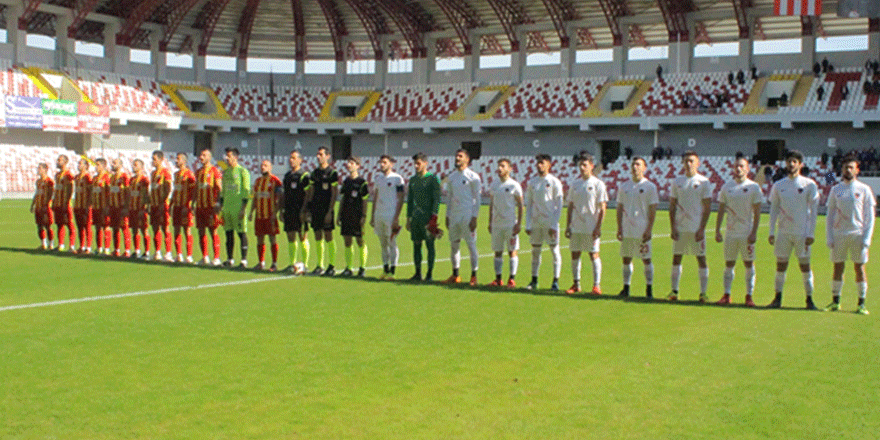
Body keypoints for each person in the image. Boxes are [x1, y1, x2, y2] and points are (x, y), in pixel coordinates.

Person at [767, 150, 819, 310]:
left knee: (805, 266)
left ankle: (809, 300)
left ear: (800, 165)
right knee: (780, 266)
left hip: (801, 233)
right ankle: (777, 298)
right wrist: (771, 231)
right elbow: (774, 209)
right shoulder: (778, 185)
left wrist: (811, 233)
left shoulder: (809, 184)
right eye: (789, 161)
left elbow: (814, 210)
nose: (791, 164)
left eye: (794, 161)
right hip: (783, 232)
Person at [824, 157, 876, 315]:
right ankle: (835, 301)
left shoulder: (864, 189)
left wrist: (867, 239)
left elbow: (870, 216)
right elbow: (830, 214)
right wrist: (829, 236)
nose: (848, 170)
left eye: (851, 167)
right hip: (839, 234)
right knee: (838, 267)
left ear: (857, 170)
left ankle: (861, 303)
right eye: (846, 167)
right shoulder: (836, 189)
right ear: (842, 169)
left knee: (859, 268)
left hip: (857, 235)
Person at [714, 157, 763, 307]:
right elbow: (721, 210)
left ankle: (749, 296)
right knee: (729, 263)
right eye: (736, 166)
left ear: (747, 169)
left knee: (748, 263)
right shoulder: (726, 187)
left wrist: (754, 232)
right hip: (730, 233)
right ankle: (727, 294)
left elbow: (757, 212)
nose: (738, 169)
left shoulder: (754, 187)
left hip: (746, 233)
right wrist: (717, 230)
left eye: (742, 166)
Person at [668, 151, 713, 302]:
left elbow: (707, 208)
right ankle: (674, 291)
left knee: (701, 258)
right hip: (680, 228)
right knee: (676, 258)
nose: (688, 164)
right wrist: (673, 227)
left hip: (696, 228)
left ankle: (703, 293)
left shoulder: (703, 182)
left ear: (698, 163)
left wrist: (702, 228)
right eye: (686, 161)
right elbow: (672, 206)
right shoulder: (677, 181)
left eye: (691, 161)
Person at [564, 152, 607, 295]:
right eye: (580, 165)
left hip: (591, 227)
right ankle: (576, 284)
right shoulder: (575, 184)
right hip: (576, 227)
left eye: (585, 165)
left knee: (593, 255)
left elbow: (602, 208)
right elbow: (570, 206)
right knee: (575, 255)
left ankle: (596, 285)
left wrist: (598, 227)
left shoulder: (598, 184)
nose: (582, 168)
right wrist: (568, 225)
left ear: (591, 166)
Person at [616, 157, 658, 298]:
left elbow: (652, 209)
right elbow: (620, 207)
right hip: (627, 229)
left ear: (644, 168)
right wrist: (619, 228)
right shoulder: (624, 186)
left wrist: (649, 229)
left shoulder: (650, 187)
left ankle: (649, 289)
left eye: (638, 164)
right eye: (633, 164)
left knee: (646, 259)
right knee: (626, 258)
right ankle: (626, 288)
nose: (635, 167)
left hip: (642, 229)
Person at [524, 153, 564, 292]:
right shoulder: (532, 182)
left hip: (549, 223)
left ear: (549, 165)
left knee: (554, 251)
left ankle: (555, 281)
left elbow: (558, 205)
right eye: (538, 163)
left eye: (542, 162)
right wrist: (527, 223)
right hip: (536, 223)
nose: (539, 165)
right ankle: (534, 280)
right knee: (535, 252)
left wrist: (554, 224)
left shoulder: (554, 182)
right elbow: (528, 204)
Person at [444, 148, 481, 285]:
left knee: (471, 246)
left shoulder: (473, 177)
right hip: (454, 216)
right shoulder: (452, 177)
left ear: (467, 160)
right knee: (454, 246)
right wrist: (447, 215)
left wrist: (474, 217)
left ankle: (473, 276)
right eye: (456, 156)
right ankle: (456, 275)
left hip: (467, 216)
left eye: (460, 156)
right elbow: (449, 198)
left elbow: (477, 199)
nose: (457, 158)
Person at [487, 158, 523, 288]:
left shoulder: (514, 185)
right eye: (499, 166)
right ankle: (498, 279)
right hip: (497, 224)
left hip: (510, 224)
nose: (500, 168)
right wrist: (490, 221)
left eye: (503, 166)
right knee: (497, 251)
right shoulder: (494, 184)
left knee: (512, 251)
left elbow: (520, 205)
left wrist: (519, 223)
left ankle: (511, 279)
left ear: (510, 169)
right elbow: (491, 204)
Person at [406, 152, 442, 282]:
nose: (416, 166)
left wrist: (434, 217)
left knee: (429, 245)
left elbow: (436, 200)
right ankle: (417, 273)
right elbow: (409, 200)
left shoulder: (433, 179)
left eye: (418, 163)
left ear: (425, 163)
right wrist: (408, 218)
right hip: (415, 218)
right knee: (416, 244)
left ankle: (429, 274)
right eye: (415, 163)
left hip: (427, 218)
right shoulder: (413, 180)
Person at [371, 154, 405, 279]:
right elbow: (375, 197)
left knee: (392, 242)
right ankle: (385, 269)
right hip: (379, 215)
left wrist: (396, 217)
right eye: (381, 162)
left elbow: (401, 198)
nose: (382, 165)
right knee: (383, 243)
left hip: (390, 215)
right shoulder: (378, 178)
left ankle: (393, 270)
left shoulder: (397, 178)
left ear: (391, 164)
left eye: (384, 162)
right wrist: (372, 215)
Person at [307, 146, 339, 275]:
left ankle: (331, 265)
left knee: (328, 236)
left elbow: (334, 192)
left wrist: (330, 211)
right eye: (317, 154)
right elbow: (311, 191)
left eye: (321, 154)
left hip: (326, 208)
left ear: (328, 156)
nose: (318, 157)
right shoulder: (314, 173)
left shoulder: (332, 173)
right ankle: (319, 265)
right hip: (316, 208)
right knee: (317, 235)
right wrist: (309, 209)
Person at [337, 156, 370, 277]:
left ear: (358, 166)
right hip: (346, 214)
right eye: (348, 162)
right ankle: (349, 268)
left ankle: (362, 268)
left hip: (357, 215)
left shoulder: (362, 183)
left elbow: (365, 200)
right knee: (347, 241)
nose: (349, 165)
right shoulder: (346, 181)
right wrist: (339, 214)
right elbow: (342, 198)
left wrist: (364, 216)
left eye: (352, 163)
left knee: (360, 240)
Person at [249, 159, 283, 271]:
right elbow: (255, 198)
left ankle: (274, 263)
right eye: (262, 165)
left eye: (265, 165)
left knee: (272, 238)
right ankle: (261, 262)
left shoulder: (275, 181)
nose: (263, 167)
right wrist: (251, 212)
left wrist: (276, 212)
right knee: (259, 239)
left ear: (270, 167)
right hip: (259, 215)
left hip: (270, 215)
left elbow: (280, 199)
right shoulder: (258, 181)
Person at [220, 147, 251, 268]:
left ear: (236, 157)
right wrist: (221, 205)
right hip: (227, 208)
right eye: (226, 156)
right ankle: (230, 259)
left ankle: (243, 260)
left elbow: (246, 191)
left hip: (238, 208)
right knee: (228, 234)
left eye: (229, 156)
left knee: (241, 233)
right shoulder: (226, 172)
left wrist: (243, 208)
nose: (226, 159)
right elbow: (223, 191)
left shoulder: (243, 171)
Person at [281, 150, 310, 274]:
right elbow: (284, 194)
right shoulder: (287, 176)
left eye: (293, 158)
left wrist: (305, 210)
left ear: (300, 160)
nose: (291, 160)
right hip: (289, 209)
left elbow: (308, 194)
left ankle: (305, 264)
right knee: (290, 236)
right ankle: (292, 263)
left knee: (302, 236)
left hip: (300, 210)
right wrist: (282, 209)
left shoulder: (304, 175)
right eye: (290, 158)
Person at [194, 148, 223, 266]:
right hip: (200, 206)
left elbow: (219, 188)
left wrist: (219, 202)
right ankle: (204, 257)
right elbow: (196, 188)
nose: (201, 157)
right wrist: (193, 203)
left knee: (213, 231)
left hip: (211, 207)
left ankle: (216, 258)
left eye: (204, 155)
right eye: (201, 155)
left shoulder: (215, 171)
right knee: (201, 231)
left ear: (209, 157)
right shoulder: (199, 172)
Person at [171, 153, 196, 263]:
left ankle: (189, 256)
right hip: (176, 206)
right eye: (176, 158)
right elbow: (175, 190)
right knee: (176, 229)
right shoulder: (176, 174)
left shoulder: (189, 174)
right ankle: (179, 254)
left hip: (185, 207)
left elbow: (193, 191)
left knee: (187, 230)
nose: (176, 160)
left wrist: (189, 205)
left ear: (184, 161)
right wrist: (171, 204)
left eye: (178, 159)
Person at [149, 151, 173, 261]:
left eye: (154, 159)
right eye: (152, 159)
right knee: (155, 228)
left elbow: (168, 188)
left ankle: (168, 253)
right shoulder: (153, 173)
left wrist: (163, 202)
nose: (152, 161)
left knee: (165, 227)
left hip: (162, 205)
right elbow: (152, 189)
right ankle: (157, 251)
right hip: (153, 204)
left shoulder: (165, 172)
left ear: (161, 159)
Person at [107, 158, 131, 257]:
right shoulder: (112, 177)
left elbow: (128, 192)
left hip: (121, 207)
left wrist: (126, 206)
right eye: (112, 162)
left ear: (120, 165)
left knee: (124, 228)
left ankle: (127, 251)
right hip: (113, 207)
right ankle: (116, 250)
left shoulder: (124, 176)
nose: (112, 164)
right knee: (115, 228)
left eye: (114, 163)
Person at [51, 155, 75, 252]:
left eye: (59, 160)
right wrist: (53, 201)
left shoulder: (68, 174)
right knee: (59, 224)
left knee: (69, 224)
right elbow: (57, 189)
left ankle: (71, 246)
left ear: (65, 162)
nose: (57, 162)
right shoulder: (57, 175)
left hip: (66, 204)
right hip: (57, 203)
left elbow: (71, 189)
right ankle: (61, 245)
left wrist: (67, 201)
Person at [129, 159, 151, 259]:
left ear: (142, 167)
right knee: (134, 230)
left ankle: (147, 252)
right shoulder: (132, 180)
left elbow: (146, 194)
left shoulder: (144, 180)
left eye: (136, 165)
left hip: (140, 208)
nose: (133, 166)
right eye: (133, 164)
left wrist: (145, 207)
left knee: (144, 230)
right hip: (132, 208)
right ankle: (137, 251)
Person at [30, 163, 54, 249]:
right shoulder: (38, 182)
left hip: (46, 207)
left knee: (48, 226)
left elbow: (51, 194)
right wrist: (33, 204)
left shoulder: (49, 181)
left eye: (40, 168)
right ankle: (43, 243)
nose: (38, 170)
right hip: (38, 207)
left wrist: (47, 204)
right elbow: (37, 193)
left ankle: (51, 244)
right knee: (39, 226)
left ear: (45, 170)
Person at [73, 158, 93, 254]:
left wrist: (88, 204)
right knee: (80, 226)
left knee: (87, 226)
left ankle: (88, 247)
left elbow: (90, 192)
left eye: (80, 163)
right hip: (77, 205)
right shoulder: (76, 177)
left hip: (85, 205)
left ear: (86, 166)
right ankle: (81, 246)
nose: (78, 165)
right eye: (78, 163)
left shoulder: (88, 177)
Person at [92, 158, 112, 256]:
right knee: (97, 227)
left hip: (104, 206)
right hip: (95, 206)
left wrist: (108, 205)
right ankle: (99, 248)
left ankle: (107, 249)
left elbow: (109, 192)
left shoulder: (107, 177)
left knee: (106, 227)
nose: (96, 167)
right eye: (96, 165)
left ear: (104, 166)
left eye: (98, 165)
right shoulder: (95, 178)